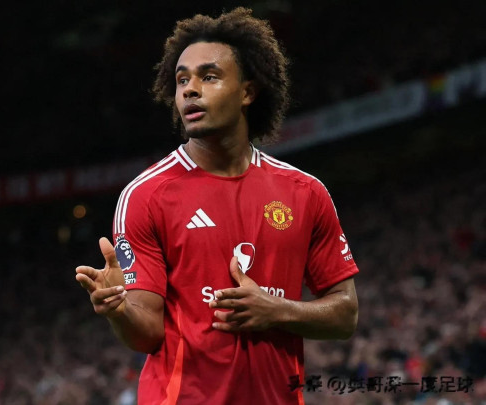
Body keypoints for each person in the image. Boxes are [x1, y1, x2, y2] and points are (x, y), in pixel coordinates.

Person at [75, 7, 359, 404]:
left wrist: (276, 310)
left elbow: (345, 315)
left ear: (247, 92)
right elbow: (147, 334)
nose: (190, 90)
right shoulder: (146, 195)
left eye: (209, 76)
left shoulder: (305, 192)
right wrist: (119, 311)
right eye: (182, 80)